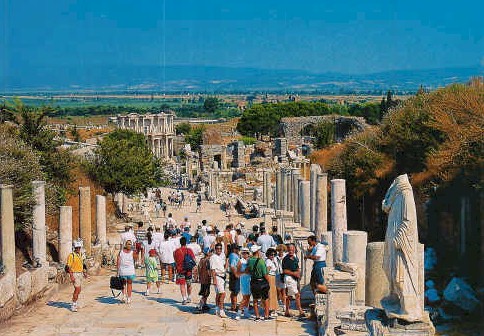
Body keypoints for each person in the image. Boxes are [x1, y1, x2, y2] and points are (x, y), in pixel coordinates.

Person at [247, 244, 270, 321]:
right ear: (257, 252)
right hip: (262, 281)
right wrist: (268, 282)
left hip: (253, 281)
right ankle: (266, 315)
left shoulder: (249, 260)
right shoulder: (261, 261)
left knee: (255, 299)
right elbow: (265, 274)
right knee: (265, 299)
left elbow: (249, 270)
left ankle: (257, 316)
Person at [282, 243, 305, 318]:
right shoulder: (286, 259)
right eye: (290, 249)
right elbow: (284, 271)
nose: (291, 251)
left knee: (289, 296)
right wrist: (294, 273)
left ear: (294, 249)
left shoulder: (295, 258)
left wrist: (298, 273)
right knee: (297, 295)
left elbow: (297, 267)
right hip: (289, 278)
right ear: (288, 250)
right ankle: (300, 311)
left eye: (292, 249)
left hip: (294, 279)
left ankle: (287, 311)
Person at [66, 240, 87, 312]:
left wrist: (84, 272)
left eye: (79, 247)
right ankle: (73, 304)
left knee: (79, 289)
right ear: (74, 248)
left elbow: (83, 264)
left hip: (80, 273)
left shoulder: (81, 254)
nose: (78, 249)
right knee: (77, 289)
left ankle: (75, 302)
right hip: (74, 273)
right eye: (76, 248)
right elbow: (68, 267)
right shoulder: (71, 256)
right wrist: (71, 276)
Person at [174, 236, 196, 304]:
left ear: (180, 243)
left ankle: (184, 298)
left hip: (180, 270)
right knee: (189, 284)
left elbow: (175, 260)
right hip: (188, 270)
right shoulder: (189, 250)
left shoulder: (176, 251)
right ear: (186, 243)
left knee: (182, 284)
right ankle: (189, 297)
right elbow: (194, 260)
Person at [210, 243, 227, 318]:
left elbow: (223, 264)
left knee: (218, 294)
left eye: (220, 248)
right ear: (215, 249)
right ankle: (221, 310)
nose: (219, 250)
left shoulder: (222, 256)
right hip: (217, 276)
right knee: (223, 294)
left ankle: (217, 309)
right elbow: (213, 269)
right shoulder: (213, 257)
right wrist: (214, 280)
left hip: (222, 275)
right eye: (217, 249)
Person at [117, 239, 136, 304]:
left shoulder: (132, 252)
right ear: (125, 245)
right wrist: (117, 271)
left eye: (130, 244)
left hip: (130, 271)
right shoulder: (121, 252)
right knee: (123, 284)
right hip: (123, 270)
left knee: (129, 284)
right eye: (128, 244)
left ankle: (129, 298)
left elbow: (135, 258)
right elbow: (118, 261)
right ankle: (124, 296)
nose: (129, 245)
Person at [236, 247, 251, 320]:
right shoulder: (240, 261)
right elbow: (237, 273)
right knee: (245, 297)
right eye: (244, 253)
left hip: (250, 279)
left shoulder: (250, 260)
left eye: (247, 253)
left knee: (248, 297)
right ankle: (239, 312)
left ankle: (246, 311)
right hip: (244, 280)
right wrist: (245, 272)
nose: (245, 254)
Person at [196, 247, 212, 313]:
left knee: (204, 292)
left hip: (202, 278)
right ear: (208, 253)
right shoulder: (207, 260)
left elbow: (199, 269)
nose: (211, 253)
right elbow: (208, 271)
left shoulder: (201, 260)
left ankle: (204, 304)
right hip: (206, 279)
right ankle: (200, 305)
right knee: (205, 293)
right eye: (210, 252)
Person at [265, 248, 278, 317]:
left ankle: (271, 309)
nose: (272, 256)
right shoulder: (268, 262)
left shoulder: (271, 261)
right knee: (271, 294)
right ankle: (271, 309)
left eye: (273, 254)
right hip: (270, 277)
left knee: (272, 293)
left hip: (273, 277)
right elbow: (267, 271)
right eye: (271, 255)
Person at [228, 244, 240, 312]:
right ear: (234, 249)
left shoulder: (232, 255)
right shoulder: (233, 255)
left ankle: (233, 306)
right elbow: (232, 266)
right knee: (235, 291)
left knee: (234, 291)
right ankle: (234, 306)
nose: (238, 250)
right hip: (234, 275)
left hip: (233, 274)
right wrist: (236, 274)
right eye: (237, 249)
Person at [275, 244, 287, 311]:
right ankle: (278, 302)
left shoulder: (285, 257)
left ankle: (284, 305)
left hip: (283, 274)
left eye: (282, 250)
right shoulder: (275, 257)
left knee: (283, 290)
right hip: (277, 274)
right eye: (279, 250)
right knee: (277, 290)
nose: (280, 252)